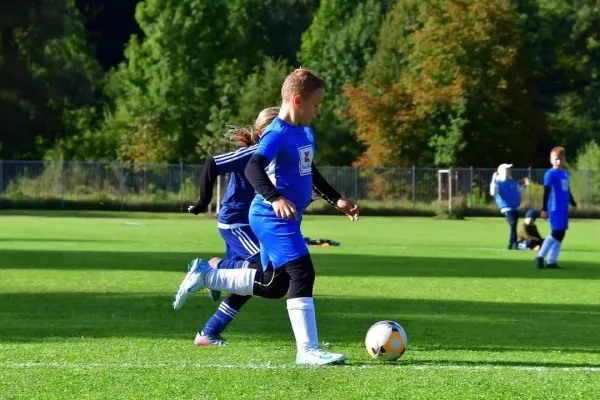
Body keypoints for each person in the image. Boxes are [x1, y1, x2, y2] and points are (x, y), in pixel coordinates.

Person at [244, 68, 359, 366]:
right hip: (270, 216)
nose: (318, 112)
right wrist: (276, 198)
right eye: (316, 105)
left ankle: (208, 275)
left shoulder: (305, 132)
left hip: (287, 218)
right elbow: (253, 168)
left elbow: (311, 171)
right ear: (297, 100)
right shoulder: (277, 133)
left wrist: (337, 199)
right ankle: (307, 350)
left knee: (275, 285)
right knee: (303, 273)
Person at [184, 107, 287, 346]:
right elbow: (212, 163)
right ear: (263, 132)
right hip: (236, 221)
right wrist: (202, 202)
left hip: (254, 222)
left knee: (246, 283)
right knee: (260, 268)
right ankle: (214, 266)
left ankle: (208, 333)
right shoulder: (252, 153)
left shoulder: (282, 156)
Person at [536, 147, 577, 269]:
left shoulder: (564, 173)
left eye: (561, 159)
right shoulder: (550, 174)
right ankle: (540, 257)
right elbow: (546, 192)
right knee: (556, 232)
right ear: (551, 160)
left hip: (563, 207)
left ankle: (551, 261)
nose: (559, 161)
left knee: (561, 234)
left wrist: (573, 203)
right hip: (554, 207)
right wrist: (544, 209)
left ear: (564, 159)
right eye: (556, 159)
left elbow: (567, 190)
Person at [490, 163, 529, 249]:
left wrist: (525, 186)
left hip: (515, 207)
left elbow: (519, 192)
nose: (508, 171)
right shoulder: (498, 183)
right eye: (506, 170)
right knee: (513, 223)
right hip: (506, 207)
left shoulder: (513, 182)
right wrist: (493, 180)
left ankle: (512, 244)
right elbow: (493, 192)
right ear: (500, 171)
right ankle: (514, 244)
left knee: (514, 225)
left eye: (509, 170)